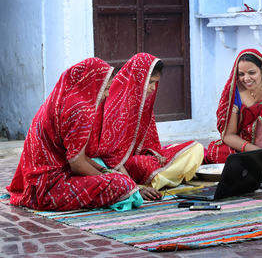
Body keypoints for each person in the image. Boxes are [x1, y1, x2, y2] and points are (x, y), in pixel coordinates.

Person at [6, 57, 140, 211]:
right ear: (92, 84)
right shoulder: (81, 109)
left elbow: (79, 156)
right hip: (50, 188)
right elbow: (77, 164)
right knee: (124, 185)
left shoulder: (62, 98)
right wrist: (108, 177)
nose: (108, 94)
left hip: (36, 181)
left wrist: (104, 171)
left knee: (115, 175)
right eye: (105, 88)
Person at [96, 52, 204, 192]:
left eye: (156, 83)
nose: (153, 88)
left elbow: (149, 141)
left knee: (195, 148)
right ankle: (161, 179)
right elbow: (109, 155)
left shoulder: (143, 105)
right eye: (150, 82)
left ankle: (163, 178)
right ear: (138, 79)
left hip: (140, 159)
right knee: (142, 164)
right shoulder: (116, 105)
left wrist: (152, 153)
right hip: (123, 165)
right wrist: (134, 187)